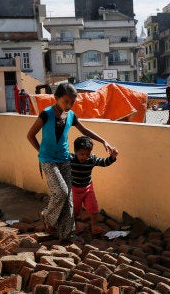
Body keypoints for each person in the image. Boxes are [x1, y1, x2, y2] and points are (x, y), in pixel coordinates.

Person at [26, 83, 115, 242]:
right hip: (48, 160)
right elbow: (30, 135)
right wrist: (41, 152)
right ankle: (48, 217)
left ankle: (67, 235)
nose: (68, 105)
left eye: (72, 102)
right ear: (56, 98)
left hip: (64, 159)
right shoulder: (46, 114)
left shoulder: (71, 116)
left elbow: (85, 130)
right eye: (65, 101)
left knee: (68, 200)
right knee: (61, 192)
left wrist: (104, 142)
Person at [70, 136, 118, 234]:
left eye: (88, 154)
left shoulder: (92, 159)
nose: (85, 157)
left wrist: (112, 157)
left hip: (88, 188)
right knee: (75, 210)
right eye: (82, 154)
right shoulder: (70, 159)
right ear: (75, 151)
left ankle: (94, 225)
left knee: (93, 207)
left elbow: (104, 163)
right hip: (74, 189)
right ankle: (74, 225)